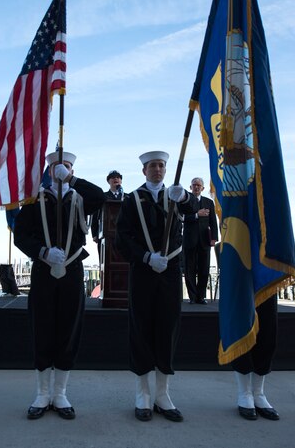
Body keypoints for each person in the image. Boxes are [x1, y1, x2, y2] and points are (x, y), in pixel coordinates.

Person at [13, 151, 104, 420]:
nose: (60, 170)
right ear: (48, 170)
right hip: (43, 268)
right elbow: (21, 235)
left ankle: (60, 393)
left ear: (71, 170)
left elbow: (100, 197)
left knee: (69, 327)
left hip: (72, 269)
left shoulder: (79, 197)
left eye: (65, 166)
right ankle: (42, 393)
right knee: (42, 327)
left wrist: (73, 180)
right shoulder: (34, 199)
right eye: (56, 166)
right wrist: (41, 252)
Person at [115, 151, 198, 423]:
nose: (158, 170)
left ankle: (163, 394)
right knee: (141, 327)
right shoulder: (131, 199)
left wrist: (184, 196)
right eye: (153, 166)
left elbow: (193, 210)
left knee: (168, 326)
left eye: (162, 165)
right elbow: (122, 237)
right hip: (143, 268)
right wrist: (145, 256)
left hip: (170, 270)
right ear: (144, 171)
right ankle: (143, 394)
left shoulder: (175, 194)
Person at [232, 295, 280, 421]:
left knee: (267, 327)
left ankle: (258, 393)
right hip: (239, 277)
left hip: (266, 277)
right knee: (241, 328)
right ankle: (244, 393)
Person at [182, 177, 218, 304]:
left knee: (204, 269)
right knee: (189, 269)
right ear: (190, 187)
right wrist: (197, 215)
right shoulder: (185, 201)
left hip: (204, 240)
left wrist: (214, 238)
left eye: (198, 185)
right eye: (194, 185)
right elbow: (181, 218)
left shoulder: (209, 202)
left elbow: (213, 221)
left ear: (202, 188)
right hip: (189, 240)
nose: (196, 187)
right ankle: (192, 296)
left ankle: (201, 296)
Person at [90, 170, 125, 259]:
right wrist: (94, 234)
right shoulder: (102, 196)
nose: (116, 179)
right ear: (108, 181)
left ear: (121, 181)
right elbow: (95, 215)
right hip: (105, 236)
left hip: (123, 235)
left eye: (118, 177)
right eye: (113, 177)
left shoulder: (127, 197)